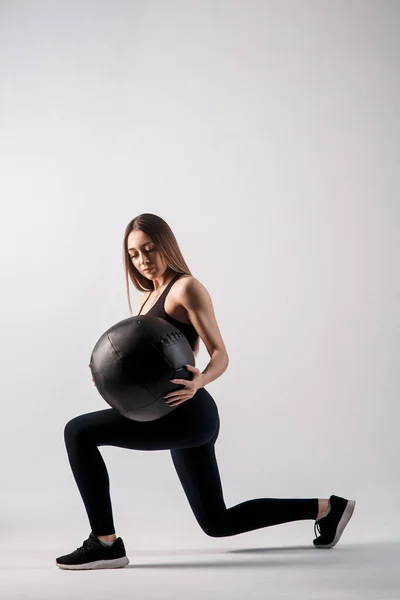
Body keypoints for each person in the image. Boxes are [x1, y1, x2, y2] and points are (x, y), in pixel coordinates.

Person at [56, 213, 356, 570]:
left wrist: (199, 381)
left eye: (149, 249)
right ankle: (328, 507)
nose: (143, 260)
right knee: (217, 522)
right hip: (170, 413)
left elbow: (220, 355)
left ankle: (105, 543)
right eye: (134, 254)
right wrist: (109, 377)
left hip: (188, 413)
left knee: (78, 432)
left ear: (166, 245)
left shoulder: (186, 288)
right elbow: (146, 363)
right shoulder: (145, 298)